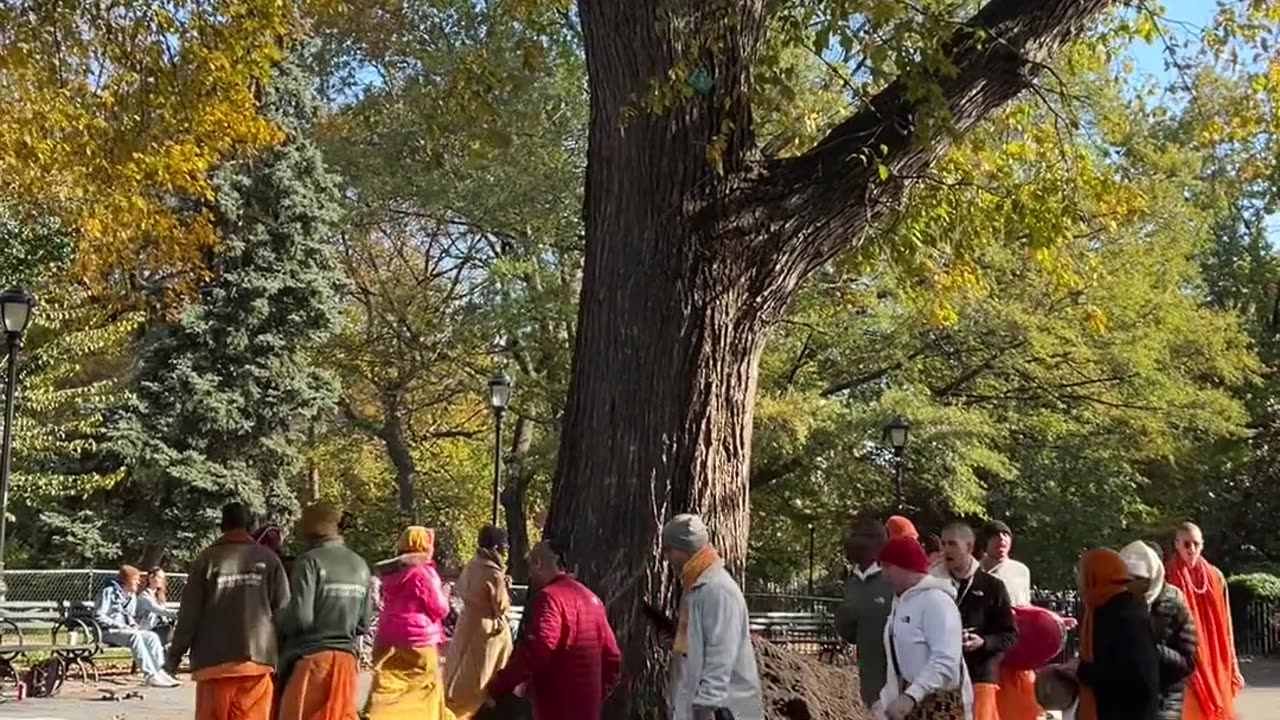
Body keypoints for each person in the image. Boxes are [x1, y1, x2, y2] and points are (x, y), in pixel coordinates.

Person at [166, 502, 291, 720]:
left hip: (213, 664)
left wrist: (174, 657)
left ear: (222, 526)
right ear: (251, 526)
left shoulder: (206, 560)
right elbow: (283, 611)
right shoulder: (269, 560)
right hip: (256, 662)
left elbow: (189, 614)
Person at [483, 538, 621, 720]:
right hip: (588, 708)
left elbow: (539, 647)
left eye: (531, 565)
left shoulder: (549, 598)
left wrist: (499, 686)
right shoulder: (592, 599)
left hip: (557, 704)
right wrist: (597, 694)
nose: (530, 574)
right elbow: (612, 657)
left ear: (538, 563)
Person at [276, 501, 373, 720]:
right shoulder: (360, 564)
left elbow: (301, 618)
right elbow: (363, 624)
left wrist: (275, 619)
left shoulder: (309, 562)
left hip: (312, 663)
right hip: (347, 664)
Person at [661, 514, 764, 720]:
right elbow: (706, 642)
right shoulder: (697, 586)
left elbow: (721, 653)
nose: (666, 557)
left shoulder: (717, 590)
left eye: (669, 550)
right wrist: (681, 642)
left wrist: (706, 705)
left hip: (724, 711)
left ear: (684, 549)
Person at [876, 536, 971, 720]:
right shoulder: (900, 602)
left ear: (904, 566)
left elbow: (946, 660)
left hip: (940, 705)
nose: (884, 575)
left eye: (887, 566)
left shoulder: (936, 601)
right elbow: (897, 662)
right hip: (911, 703)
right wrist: (887, 700)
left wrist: (911, 696)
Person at [363, 526, 451, 720]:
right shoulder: (424, 573)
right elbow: (440, 608)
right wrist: (445, 595)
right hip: (419, 640)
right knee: (424, 689)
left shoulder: (389, 574)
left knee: (388, 684)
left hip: (387, 637)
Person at [933, 523, 1017, 720]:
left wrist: (983, 642)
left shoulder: (992, 586)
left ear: (969, 547)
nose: (946, 550)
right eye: (943, 544)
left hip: (979, 678)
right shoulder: (930, 585)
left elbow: (1010, 635)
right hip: (939, 680)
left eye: (952, 544)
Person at [1165, 522, 1243, 720]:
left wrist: (1234, 666)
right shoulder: (1166, 577)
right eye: (1186, 544)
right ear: (1177, 544)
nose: (1191, 549)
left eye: (1196, 544)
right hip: (1185, 665)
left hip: (1215, 661)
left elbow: (1226, 625)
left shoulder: (1215, 577)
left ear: (1203, 545)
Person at [1074, 548, 1160, 720]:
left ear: (1095, 579)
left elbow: (1136, 678)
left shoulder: (1127, 616)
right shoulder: (1104, 609)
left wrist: (1086, 672)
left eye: (1083, 578)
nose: (1080, 586)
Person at [1121, 540, 1198, 720]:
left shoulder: (1174, 606)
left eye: (1140, 579)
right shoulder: (1113, 606)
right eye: (1128, 578)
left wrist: (1152, 649)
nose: (1134, 585)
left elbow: (1188, 663)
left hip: (1163, 704)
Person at [445, 525, 514, 718]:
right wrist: (506, 589)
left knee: (460, 668)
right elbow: (501, 606)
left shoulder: (472, 565)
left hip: (467, 622)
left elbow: (461, 588)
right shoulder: (493, 572)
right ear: (495, 547)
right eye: (503, 546)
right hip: (487, 629)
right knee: (480, 676)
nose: (504, 550)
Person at [980, 519, 1040, 720]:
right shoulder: (974, 571)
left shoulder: (1020, 571)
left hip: (1016, 649)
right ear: (985, 542)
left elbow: (1027, 607)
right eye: (996, 536)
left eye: (1006, 536)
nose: (1002, 540)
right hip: (986, 648)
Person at [834, 518, 893, 708]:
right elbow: (849, 630)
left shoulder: (892, 579)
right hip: (868, 678)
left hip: (896, 682)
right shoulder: (854, 582)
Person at [94, 565, 180, 688]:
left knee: (151, 636)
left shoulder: (131, 596)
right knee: (135, 637)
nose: (138, 582)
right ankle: (150, 676)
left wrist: (132, 624)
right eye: (135, 579)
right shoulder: (108, 592)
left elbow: (129, 616)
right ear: (126, 580)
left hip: (125, 631)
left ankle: (158, 671)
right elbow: (99, 615)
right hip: (108, 631)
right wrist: (120, 626)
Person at [136, 566, 178, 644]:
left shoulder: (158, 596)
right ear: (151, 578)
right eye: (159, 577)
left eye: (162, 578)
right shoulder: (144, 596)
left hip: (157, 629)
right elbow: (157, 609)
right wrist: (177, 615)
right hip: (145, 630)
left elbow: (164, 616)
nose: (161, 581)